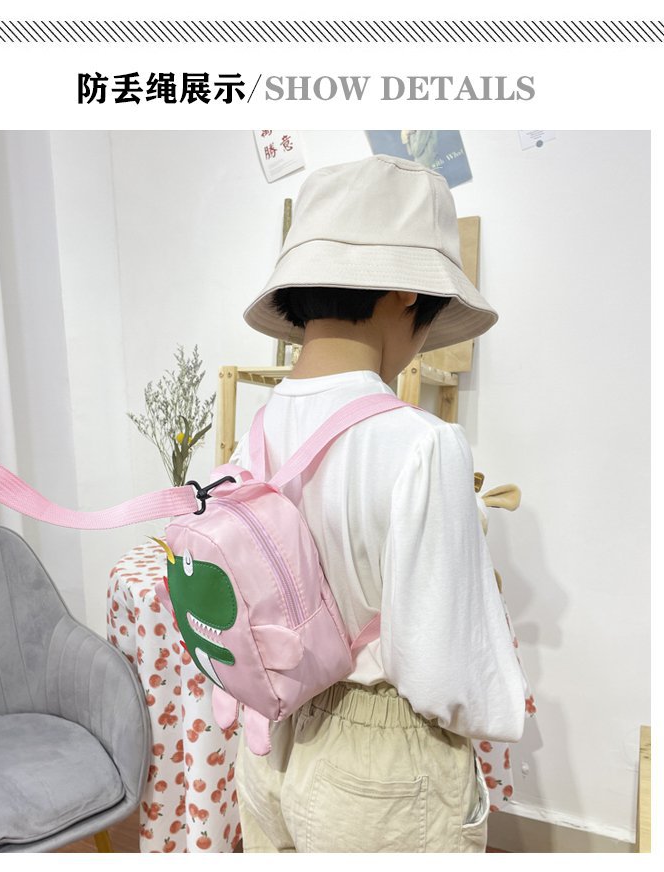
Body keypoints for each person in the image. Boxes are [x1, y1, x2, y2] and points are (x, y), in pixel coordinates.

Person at [229, 154, 527, 852]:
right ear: (405, 291)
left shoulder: (260, 428)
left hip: (270, 742)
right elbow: (445, 673)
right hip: (381, 765)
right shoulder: (423, 444)